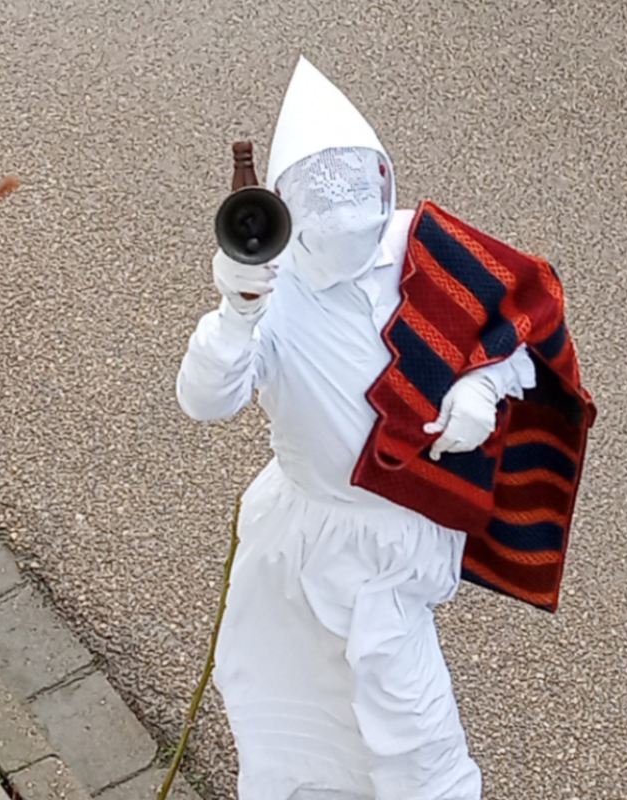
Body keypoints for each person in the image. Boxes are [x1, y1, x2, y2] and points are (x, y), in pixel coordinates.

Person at [177, 56, 594, 800]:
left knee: (413, 731)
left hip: (391, 548)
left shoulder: (432, 249)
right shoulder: (275, 296)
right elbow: (208, 400)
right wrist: (234, 315)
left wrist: (483, 386)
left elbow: (522, 322)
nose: (344, 218)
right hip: (303, 538)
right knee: (295, 710)